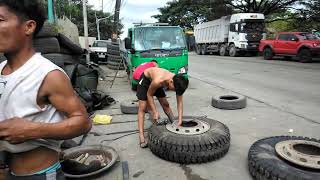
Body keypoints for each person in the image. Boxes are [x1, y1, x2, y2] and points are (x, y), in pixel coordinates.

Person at [0, 1, 92, 179]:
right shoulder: (1, 69)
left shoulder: (47, 74)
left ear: (29, 27)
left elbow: (83, 122)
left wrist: (30, 130)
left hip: (40, 174)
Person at [136, 66, 189, 148]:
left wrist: (180, 121)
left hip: (157, 82)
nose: (175, 92)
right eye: (174, 90)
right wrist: (155, 111)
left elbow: (180, 103)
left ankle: (174, 123)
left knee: (165, 104)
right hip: (146, 80)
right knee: (142, 107)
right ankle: (141, 136)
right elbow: (149, 95)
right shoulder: (158, 81)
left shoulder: (178, 82)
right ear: (171, 82)